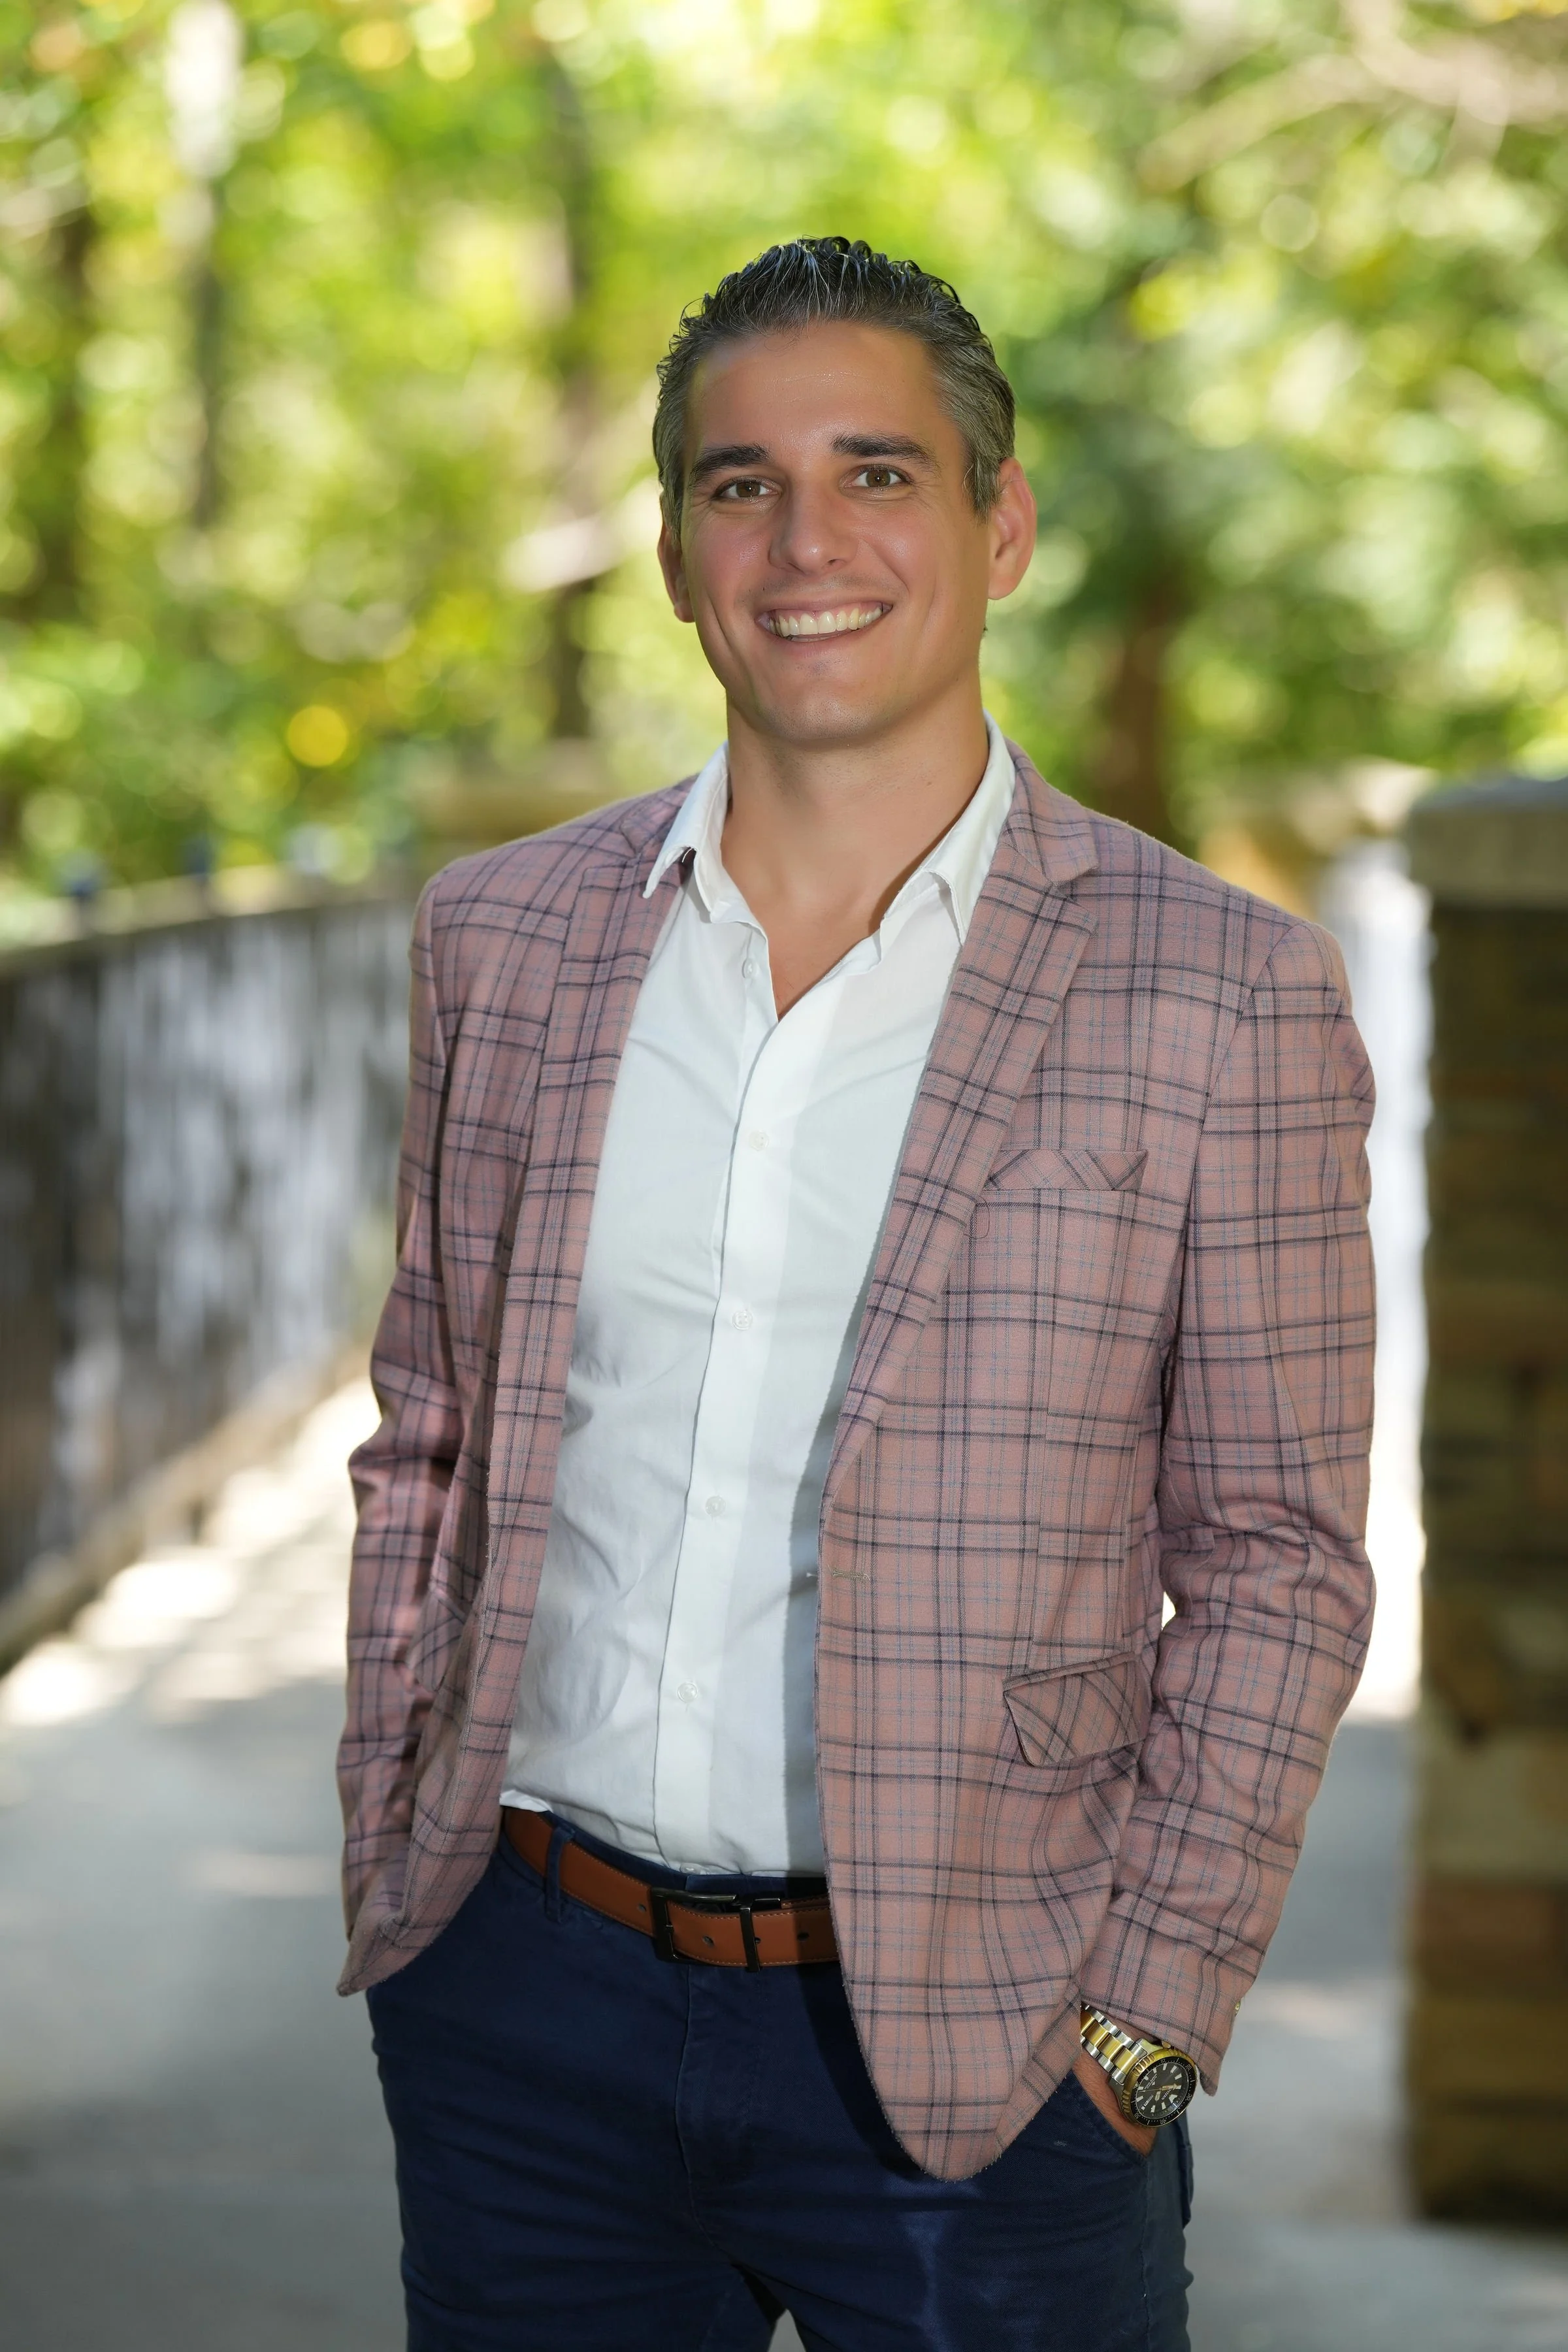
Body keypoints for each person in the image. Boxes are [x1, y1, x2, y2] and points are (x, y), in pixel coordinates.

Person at [338, 236, 1375, 2352]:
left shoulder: (1222, 992)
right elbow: (428, 1426)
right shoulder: (508, 941)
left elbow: (1278, 1562)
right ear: (672, 547)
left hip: (997, 2060)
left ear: (999, 526)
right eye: (742, 485)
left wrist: (1147, 2036)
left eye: (877, 473)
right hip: (522, 2002)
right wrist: (397, 1863)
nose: (808, 542)